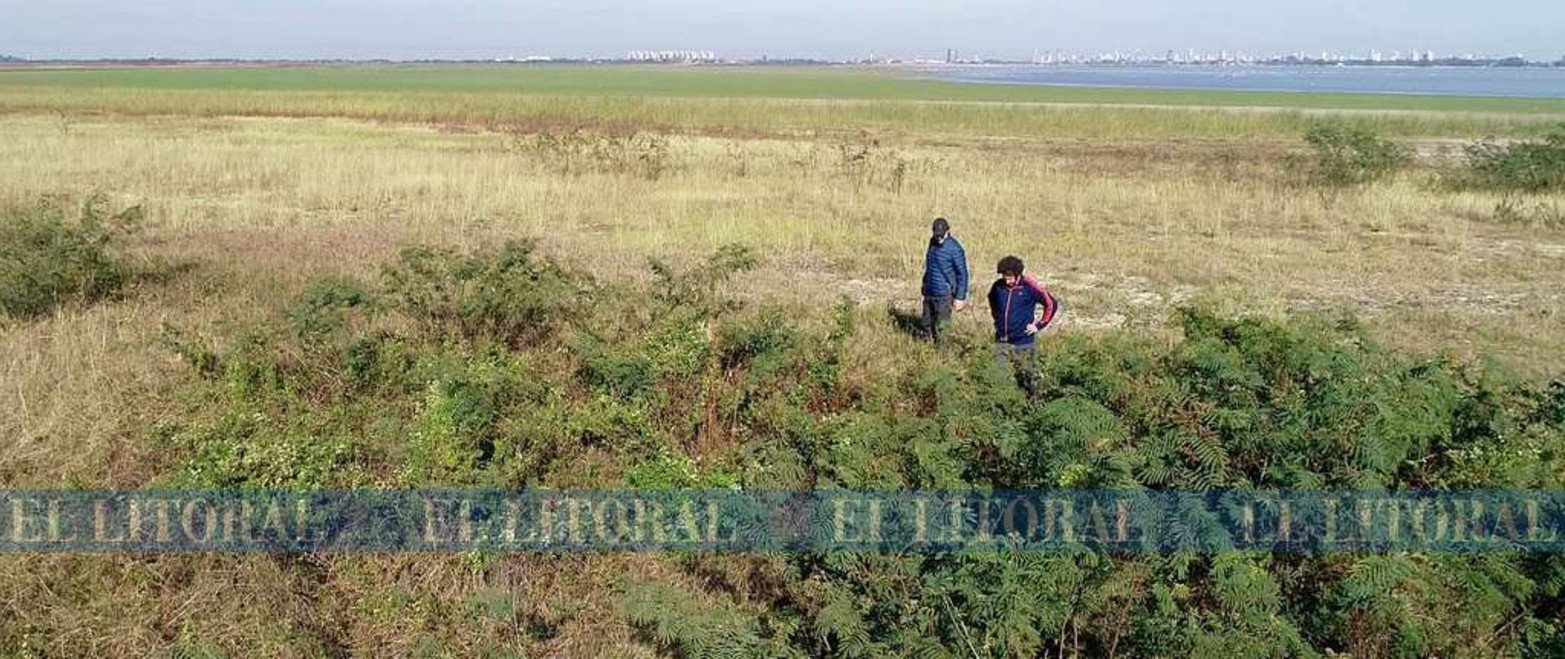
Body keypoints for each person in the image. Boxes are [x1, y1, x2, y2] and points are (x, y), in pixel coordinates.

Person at [987, 255, 1059, 364]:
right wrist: (998, 319)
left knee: (1027, 375)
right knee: (999, 376)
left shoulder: (1029, 286)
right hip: (1001, 340)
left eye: (1010, 278)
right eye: (1004, 277)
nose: (1007, 281)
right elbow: (993, 301)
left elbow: (1051, 304)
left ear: (1018, 274)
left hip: (1023, 342)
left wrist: (1039, 325)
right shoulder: (997, 287)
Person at [920, 217, 969, 343]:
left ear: (948, 231)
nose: (939, 238)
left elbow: (962, 274)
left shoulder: (955, 249)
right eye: (937, 235)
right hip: (930, 291)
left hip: (944, 295)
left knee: (942, 329)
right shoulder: (932, 242)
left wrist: (960, 297)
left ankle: (942, 357)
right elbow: (930, 265)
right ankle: (926, 350)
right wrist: (925, 284)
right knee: (925, 324)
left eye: (942, 235)